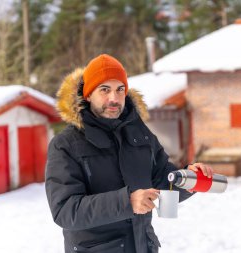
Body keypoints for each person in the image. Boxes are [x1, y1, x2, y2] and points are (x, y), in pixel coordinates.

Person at [45, 54, 214, 253]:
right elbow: (65, 210)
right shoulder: (65, 144)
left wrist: (189, 179)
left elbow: (162, 180)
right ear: (88, 94)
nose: (114, 99)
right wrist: (127, 202)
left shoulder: (140, 135)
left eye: (120, 89)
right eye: (104, 90)